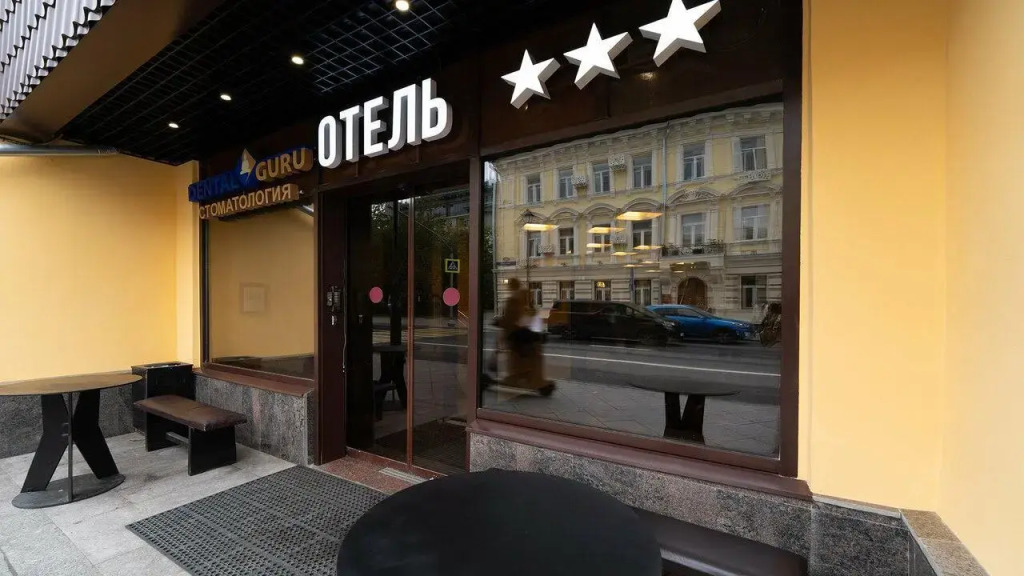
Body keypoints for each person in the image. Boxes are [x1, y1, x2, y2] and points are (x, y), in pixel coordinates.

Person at [499, 278, 554, 396]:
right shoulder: (521, 300)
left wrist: (504, 337)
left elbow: (508, 321)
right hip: (524, 337)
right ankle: (530, 380)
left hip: (519, 337)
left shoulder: (513, 300)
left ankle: (521, 380)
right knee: (530, 359)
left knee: (518, 360)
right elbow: (527, 318)